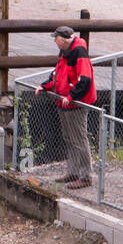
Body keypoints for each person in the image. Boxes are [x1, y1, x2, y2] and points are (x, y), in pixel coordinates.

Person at [38, 25, 97, 188]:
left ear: (63, 40)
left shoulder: (78, 53)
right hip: (64, 101)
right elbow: (58, 74)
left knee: (79, 139)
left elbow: (85, 80)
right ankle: (73, 172)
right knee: (70, 138)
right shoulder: (65, 52)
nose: (55, 42)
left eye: (56, 39)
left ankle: (85, 177)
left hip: (76, 103)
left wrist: (72, 96)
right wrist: (46, 85)